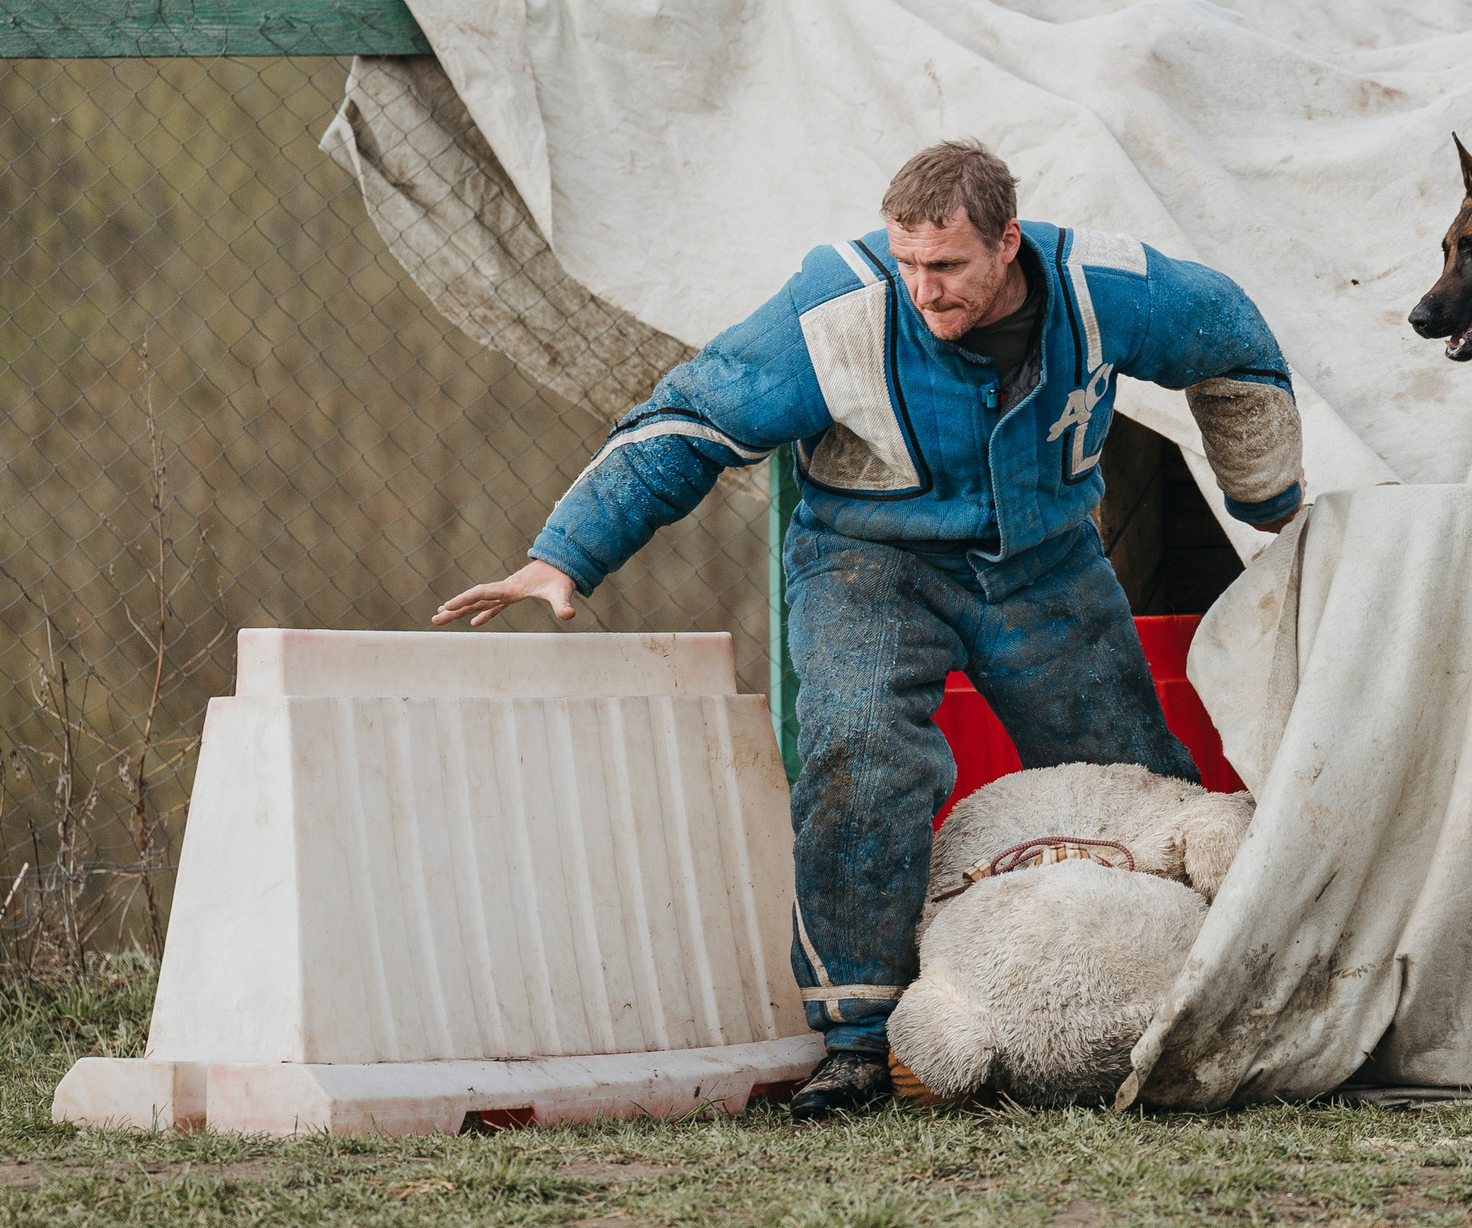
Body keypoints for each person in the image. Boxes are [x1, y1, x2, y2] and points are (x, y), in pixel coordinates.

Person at [436, 140, 1303, 1119]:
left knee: (1131, 773)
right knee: (859, 747)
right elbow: (690, 420)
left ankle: (1186, 1006)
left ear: (1007, 241)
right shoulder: (833, 306)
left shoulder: (1105, 287)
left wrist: (1264, 492)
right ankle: (857, 1038)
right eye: (908, 263)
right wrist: (564, 554)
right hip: (866, 565)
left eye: (947, 266)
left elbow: (1230, 337)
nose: (924, 289)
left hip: (1048, 563)